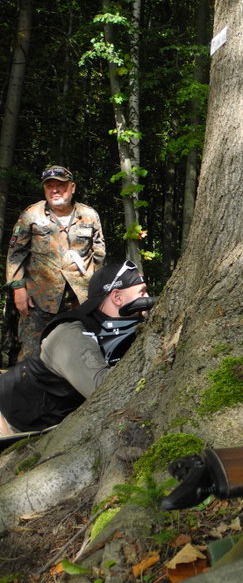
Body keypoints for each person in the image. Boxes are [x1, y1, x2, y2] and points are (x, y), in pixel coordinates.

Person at [0, 261, 151, 436]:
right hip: (7, 420)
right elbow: (105, 391)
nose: (147, 297)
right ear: (117, 297)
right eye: (142, 292)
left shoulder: (115, 332)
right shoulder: (71, 334)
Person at [6, 165, 106, 360]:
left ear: (72, 187)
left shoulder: (89, 215)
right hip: (39, 300)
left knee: (79, 356)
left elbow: (99, 255)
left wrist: (98, 293)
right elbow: (15, 254)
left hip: (80, 301)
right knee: (31, 358)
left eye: (60, 185)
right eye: (49, 186)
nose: (55, 190)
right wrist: (18, 289)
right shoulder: (31, 214)